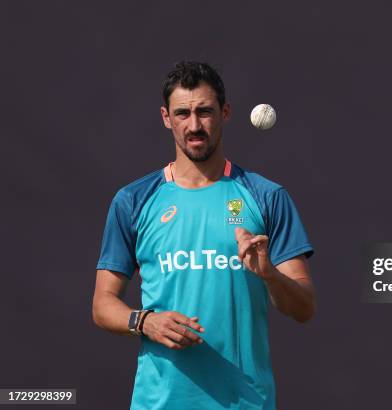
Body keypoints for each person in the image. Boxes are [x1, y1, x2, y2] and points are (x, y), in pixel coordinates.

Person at [92, 61, 315, 410]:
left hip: (246, 404)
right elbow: (102, 305)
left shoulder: (266, 197)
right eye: (182, 113)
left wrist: (269, 274)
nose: (194, 126)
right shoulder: (133, 201)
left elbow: (304, 307)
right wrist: (146, 322)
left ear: (225, 113)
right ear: (166, 117)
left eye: (205, 112)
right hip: (159, 403)